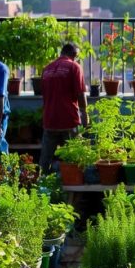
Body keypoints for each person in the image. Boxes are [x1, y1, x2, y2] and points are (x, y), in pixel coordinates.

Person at [39, 42, 88, 175]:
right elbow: (81, 94)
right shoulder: (74, 67)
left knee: (45, 159)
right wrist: (85, 116)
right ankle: (72, 183)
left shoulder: (47, 69)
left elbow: (44, 94)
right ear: (74, 55)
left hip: (49, 120)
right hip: (69, 120)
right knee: (74, 158)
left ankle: (41, 182)